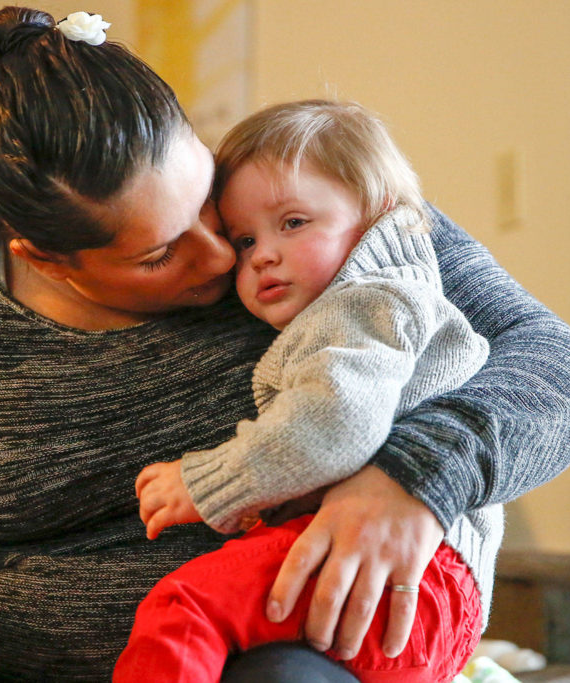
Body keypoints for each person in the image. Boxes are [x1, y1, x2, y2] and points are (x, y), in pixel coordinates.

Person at [0, 6, 570, 682]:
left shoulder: (313, 216)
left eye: (205, 197)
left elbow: (565, 372)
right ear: (46, 257)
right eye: (160, 251)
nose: (229, 255)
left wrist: (413, 475)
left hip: (248, 657)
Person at [117, 99, 496, 683]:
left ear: (377, 218)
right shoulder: (355, 306)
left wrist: (206, 481)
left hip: (400, 573)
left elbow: (338, 421)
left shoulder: (369, 300)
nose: (262, 254)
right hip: (419, 608)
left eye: (293, 223)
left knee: (182, 610)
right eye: (243, 240)